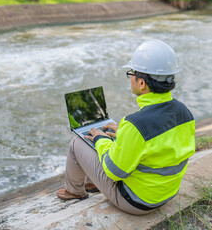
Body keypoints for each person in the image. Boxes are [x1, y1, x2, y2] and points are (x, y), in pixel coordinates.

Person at [57, 39, 195, 215]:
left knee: (77, 143)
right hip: (167, 193)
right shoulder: (184, 112)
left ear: (142, 83)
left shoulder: (135, 125)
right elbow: (157, 142)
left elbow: (115, 171)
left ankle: (75, 192)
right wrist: (122, 131)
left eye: (131, 73)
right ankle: (93, 183)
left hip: (137, 202)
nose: (130, 78)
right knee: (110, 141)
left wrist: (101, 139)